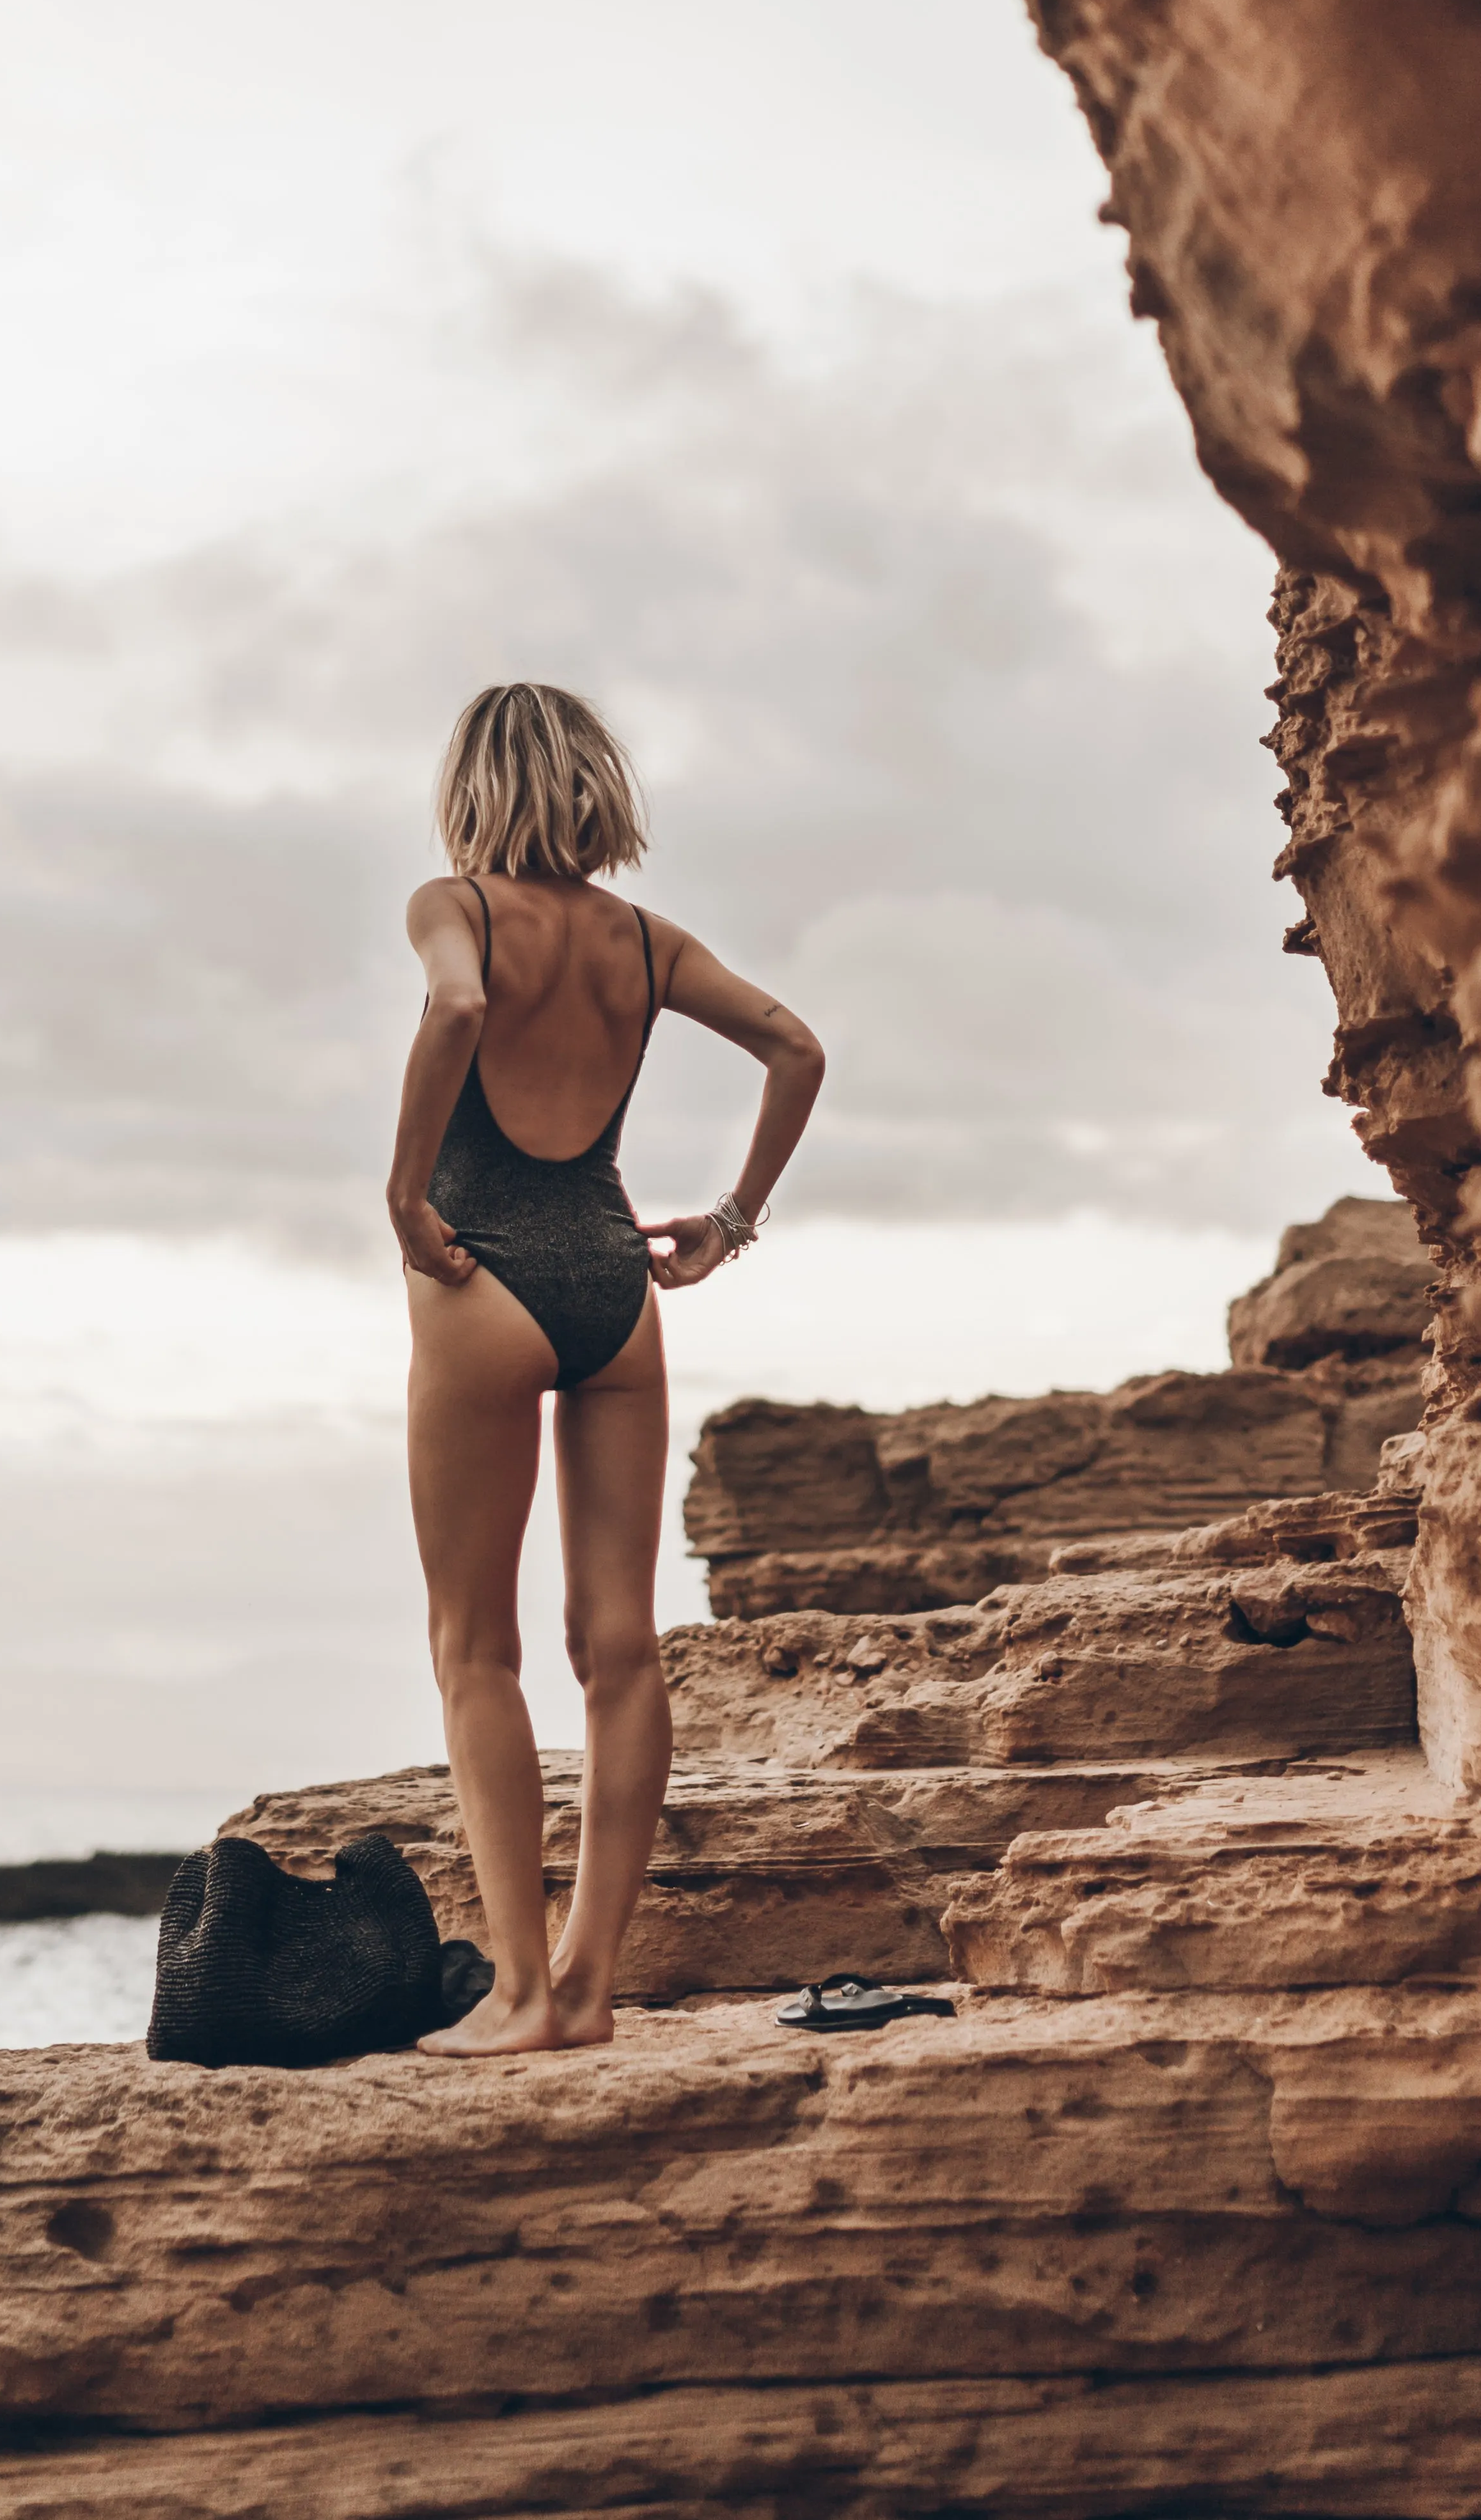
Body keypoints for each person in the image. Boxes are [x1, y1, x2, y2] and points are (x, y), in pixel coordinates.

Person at [388, 683, 824, 2056]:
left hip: (485, 1277)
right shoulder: (642, 939)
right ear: (593, 785)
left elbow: (456, 1011)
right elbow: (795, 1046)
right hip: (614, 1281)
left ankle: (519, 1998)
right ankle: (589, 1988)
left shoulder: (450, 905)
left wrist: (407, 1196)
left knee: (476, 1648)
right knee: (619, 1648)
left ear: (471, 784)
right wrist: (735, 1222)